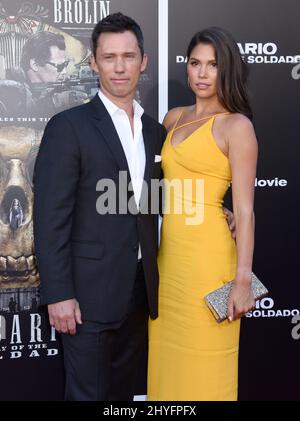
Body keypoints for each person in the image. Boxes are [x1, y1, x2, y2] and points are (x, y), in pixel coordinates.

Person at [33, 12, 166, 401]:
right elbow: (50, 218)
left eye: (128, 56)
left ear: (144, 61)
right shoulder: (68, 126)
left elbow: (159, 203)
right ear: (93, 62)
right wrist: (58, 293)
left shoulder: (155, 131)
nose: (120, 67)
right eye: (109, 57)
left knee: (123, 398)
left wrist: (224, 212)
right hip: (85, 299)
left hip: (140, 293)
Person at [148, 27, 257, 401]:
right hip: (169, 262)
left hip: (210, 263)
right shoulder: (172, 118)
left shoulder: (237, 126)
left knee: (207, 365)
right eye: (195, 63)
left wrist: (242, 281)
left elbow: (244, 209)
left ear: (226, 70)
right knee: (167, 365)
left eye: (212, 65)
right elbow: (157, 185)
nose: (202, 73)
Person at [6, 31, 87, 115]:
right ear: (35, 65)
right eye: (59, 66)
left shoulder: (52, 86)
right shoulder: (10, 89)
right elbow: (21, 116)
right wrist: (56, 102)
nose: (64, 72)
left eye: (65, 65)